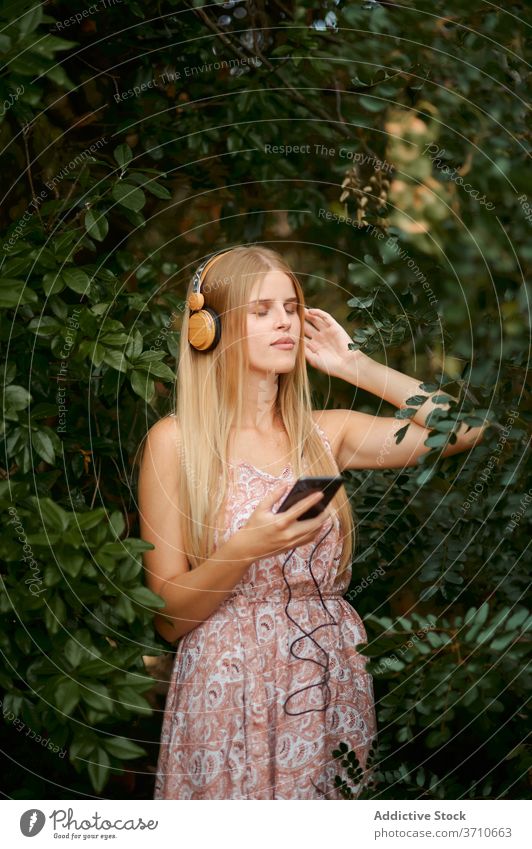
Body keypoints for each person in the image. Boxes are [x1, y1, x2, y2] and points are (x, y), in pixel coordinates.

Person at [138, 245, 486, 800]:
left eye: (291, 306)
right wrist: (248, 545)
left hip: (327, 673)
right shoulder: (175, 444)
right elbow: (169, 620)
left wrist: (358, 367)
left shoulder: (327, 434)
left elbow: (465, 429)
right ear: (209, 328)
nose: (284, 321)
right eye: (261, 310)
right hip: (226, 683)